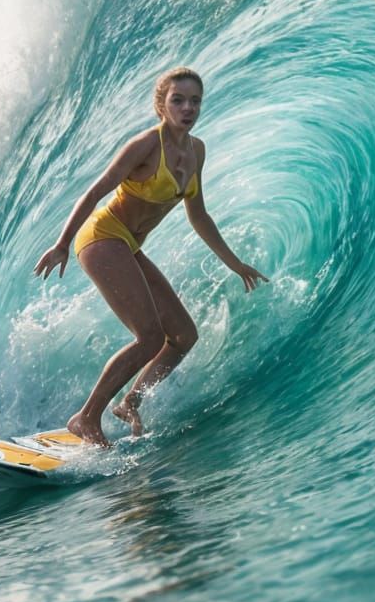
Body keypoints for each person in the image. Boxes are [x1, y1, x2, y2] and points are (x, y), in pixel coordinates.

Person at [33, 67, 269, 446]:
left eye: (195, 101)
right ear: (162, 105)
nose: (188, 108)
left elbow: (199, 215)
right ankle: (86, 417)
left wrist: (235, 263)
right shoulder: (145, 145)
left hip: (128, 244)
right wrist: (62, 243)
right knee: (148, 337)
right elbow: (94, 192)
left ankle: (130, 402)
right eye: (178, 100)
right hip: (102, 236)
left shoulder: (196, 151)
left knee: (182, 335)